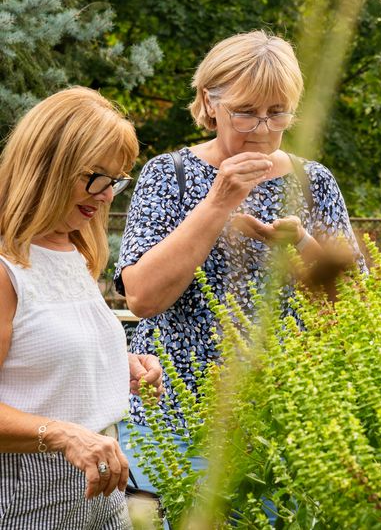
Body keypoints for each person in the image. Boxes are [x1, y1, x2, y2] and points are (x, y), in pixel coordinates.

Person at [114, 31, 363, 489]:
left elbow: (355, 304)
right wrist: (217, 205)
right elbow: (143, 297)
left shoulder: (315, 182)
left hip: (288, 420)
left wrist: (303, 243)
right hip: (177, 418)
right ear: (210, 103)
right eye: (246, 113)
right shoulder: (171, 175)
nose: (263, 129)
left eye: (277, 113)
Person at [0, 87, 163, 529]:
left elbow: (38, 357)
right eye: (97, 177)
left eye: (117, 180)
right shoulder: (4, 268)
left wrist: (118, 363)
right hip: (28, 491)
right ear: (47, 167)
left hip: (104, 480)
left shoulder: (73, 253)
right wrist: (60, 434)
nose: (109, 194)